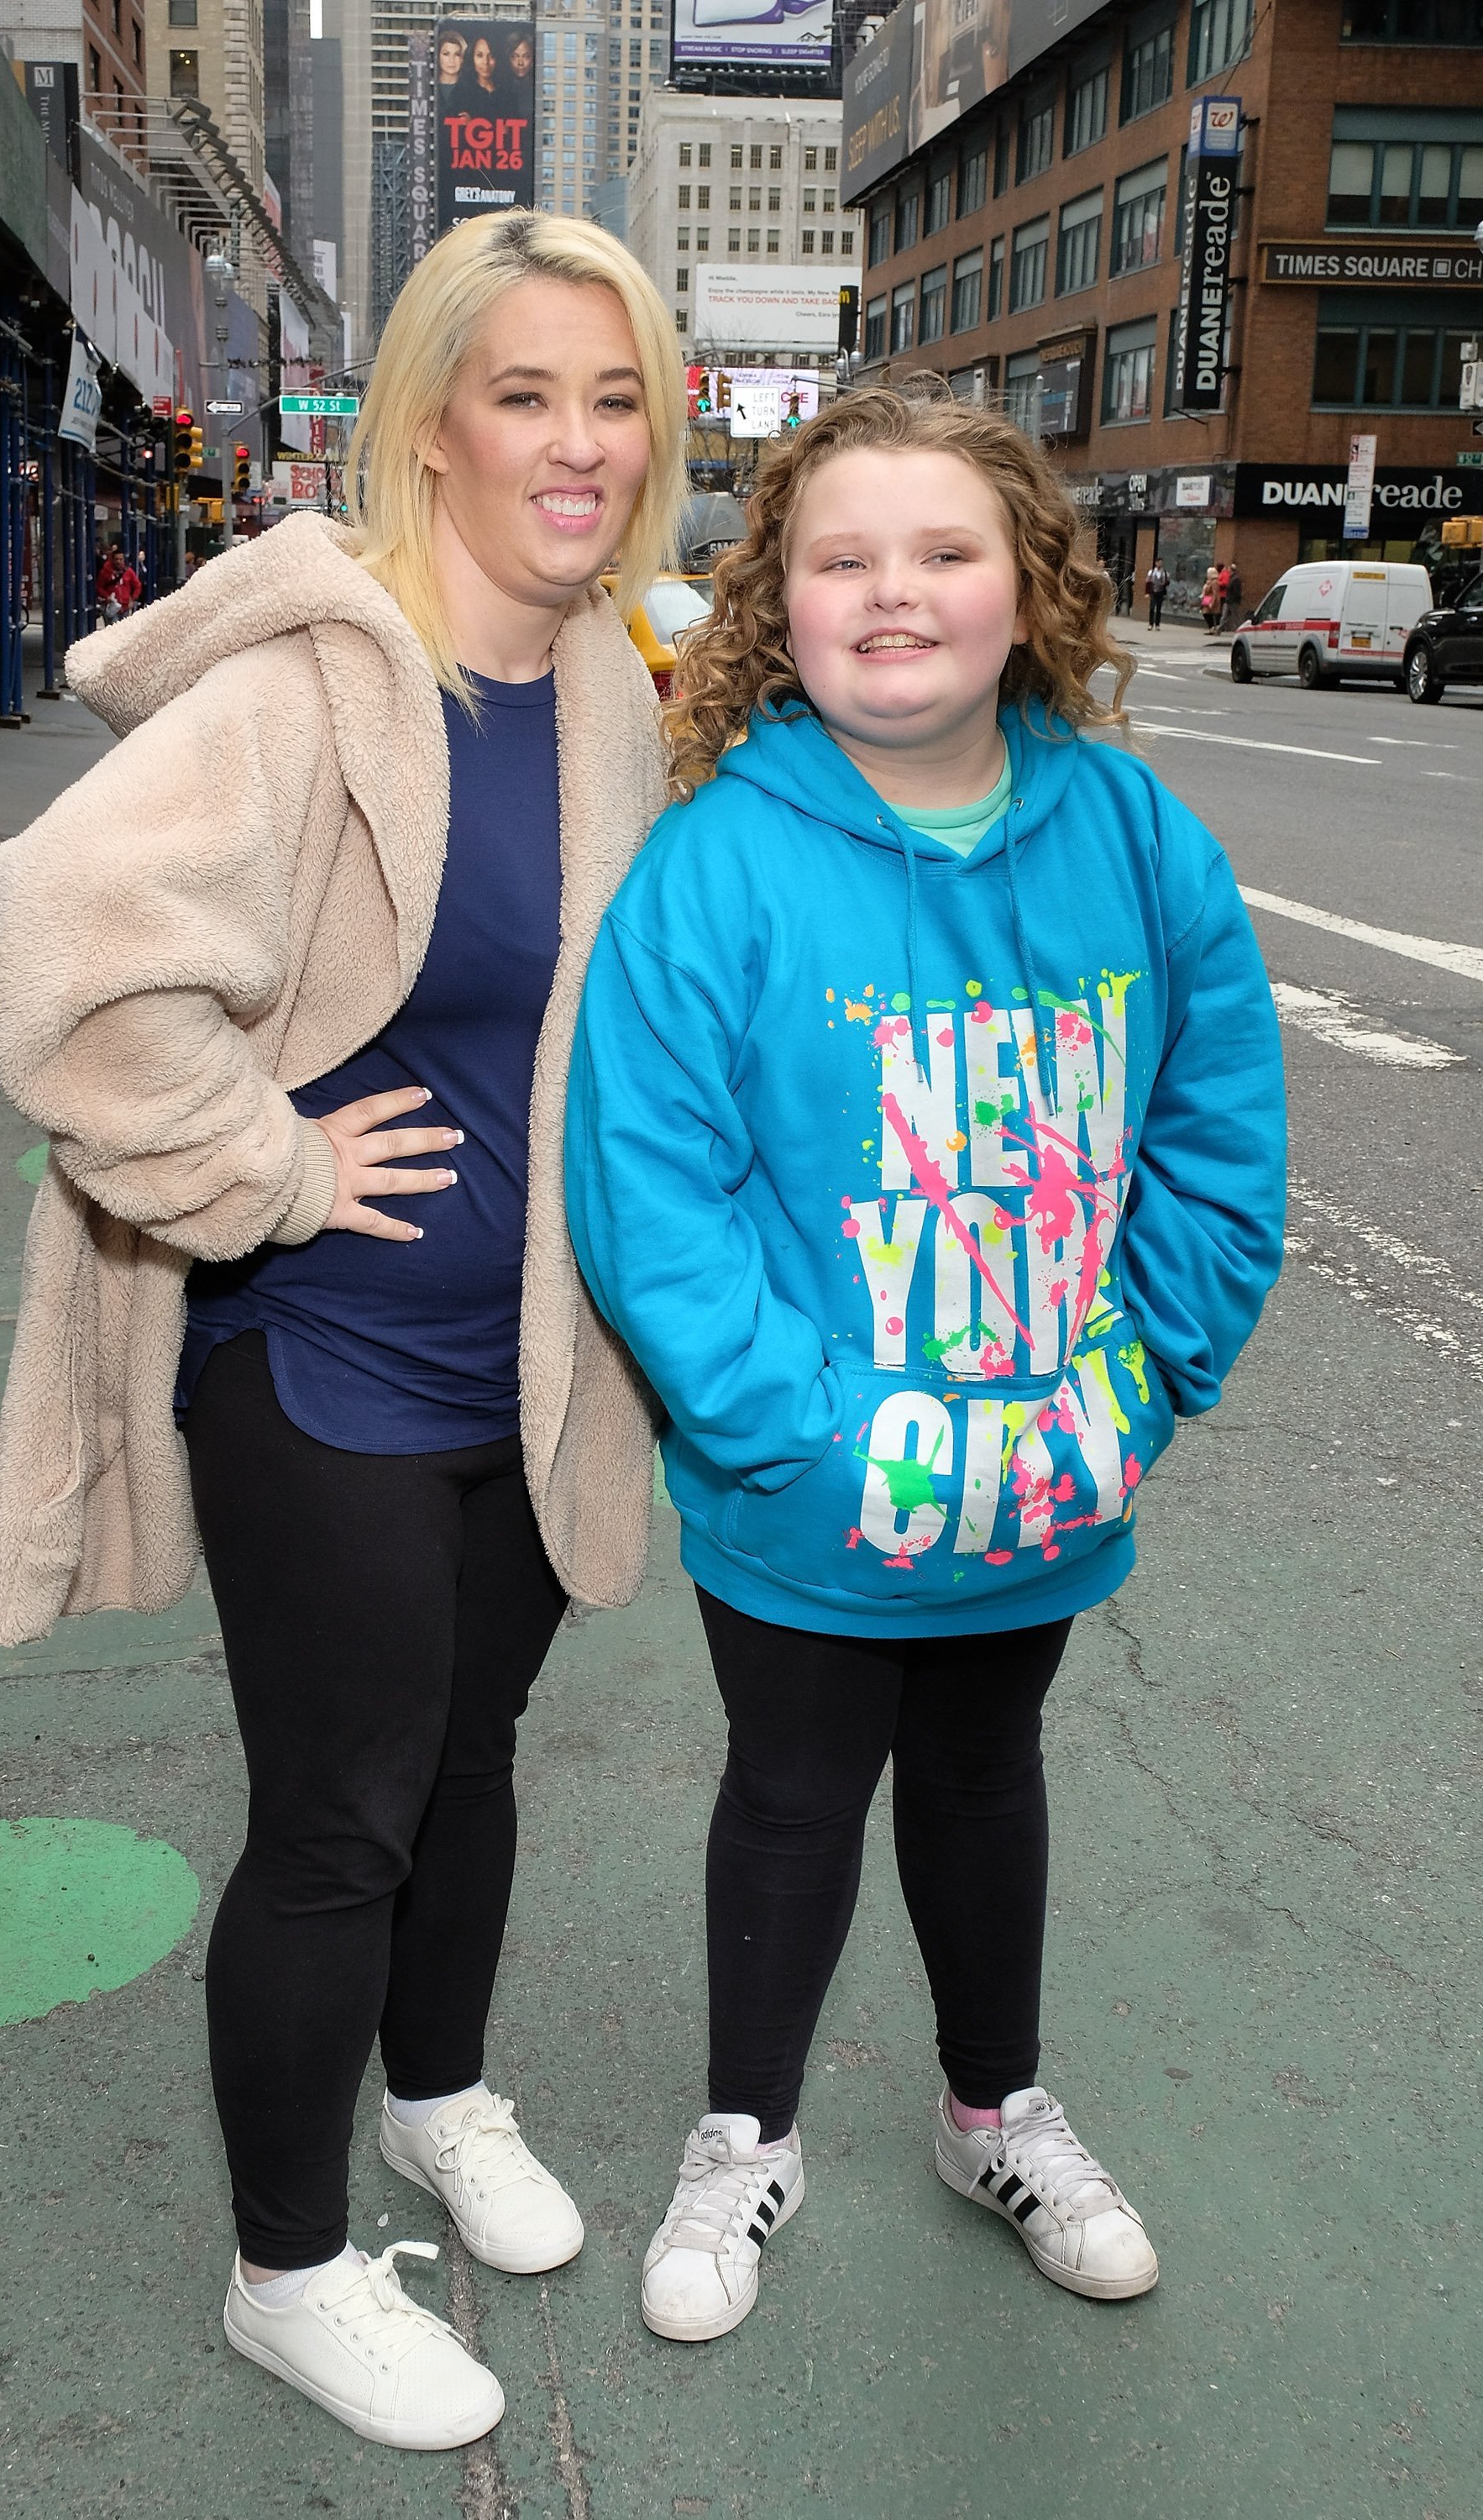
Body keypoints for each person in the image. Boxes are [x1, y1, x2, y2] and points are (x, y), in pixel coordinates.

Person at [0, 211, 684, 2450]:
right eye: (526, 396)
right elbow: (62, 941)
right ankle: (287, 2271)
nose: (577, 445)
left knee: (469, 1768)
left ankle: (436, 2098)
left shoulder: (599, 686)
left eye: (615, 395)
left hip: (527, 1365)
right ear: (433, 431)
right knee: (342, 1814)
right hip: (328, 1362)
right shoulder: (314, 678)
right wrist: (266, 1170)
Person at [567, 384, 1285, 2345]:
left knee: (984, 1765)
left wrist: (1141, 1375)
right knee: (792, 1786)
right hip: (809, 1488)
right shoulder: (715, 863)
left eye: (944, 550)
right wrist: (795, 1431)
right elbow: (649, 1179)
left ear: (1024, 588)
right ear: (775, 602)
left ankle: (994, 2112)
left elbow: (1218, 1111)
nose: (893, 591)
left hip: (1052, 1466)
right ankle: (744, 2132)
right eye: (840, 556)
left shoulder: (1129, 828)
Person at [1144, 556, 1168, 629]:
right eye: (1159, 563)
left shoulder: (1164, 573)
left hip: (1160, 592)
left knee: (1159, 609)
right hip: (1153, 592)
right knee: (1152, 608)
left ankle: (1157, 624)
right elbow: (1147, 581)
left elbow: (1166, 581)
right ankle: (1150, 624)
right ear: (1156, 563)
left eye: (1161, 563)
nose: (1160, 564)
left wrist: (1164, 583)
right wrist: (1147, 592)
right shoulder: (1151, 572)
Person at [1199, 562, 1220, 634]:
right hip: (1207, 598)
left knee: (1207, 613)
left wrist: (1212, 602)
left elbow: (1215, 593)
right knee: (1206, 613)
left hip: (1210, 599)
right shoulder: (1210, 581)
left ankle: (1212, 628)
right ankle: (1211, 628)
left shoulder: (1214, 582)